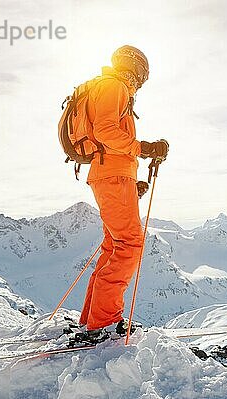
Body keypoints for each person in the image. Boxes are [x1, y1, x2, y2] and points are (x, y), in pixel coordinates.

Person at [76, 45, 168, 343]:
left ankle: (92, 319)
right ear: (136, 70)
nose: (141, 82)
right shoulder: (114, 85)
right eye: (142, 75)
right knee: (129, 244)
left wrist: (132, 182)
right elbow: (105, 131)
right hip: (112, 175)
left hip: (112, 175)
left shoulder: (108, 88)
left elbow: (107, 141)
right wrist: (145, 149)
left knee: (112, 246)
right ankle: (103, 322)